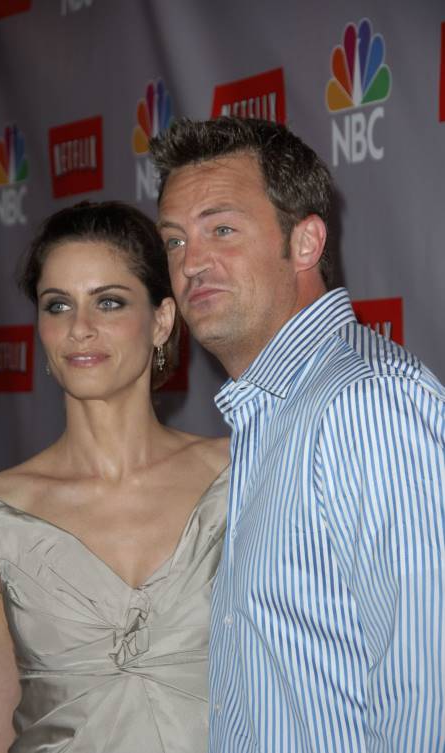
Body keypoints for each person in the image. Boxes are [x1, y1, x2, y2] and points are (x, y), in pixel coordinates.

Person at [149, 117, 445, 753]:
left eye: (221, 230)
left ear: (306, 242)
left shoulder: (366, 404)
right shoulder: (270, 415)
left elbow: (430, 705)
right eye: (174, 240)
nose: (190, 263)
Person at [0, 200, 229, 753]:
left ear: (162, 321)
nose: (79, 328)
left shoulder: (236, 477)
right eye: (58, 305)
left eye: (109, 302)